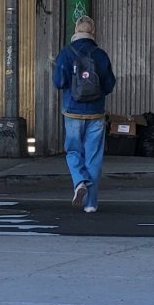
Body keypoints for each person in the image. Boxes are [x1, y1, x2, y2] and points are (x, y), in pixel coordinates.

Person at [52, 15, 117, 214]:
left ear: (76, 30)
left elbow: (58, 83)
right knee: (94, 157)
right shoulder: (100, 54)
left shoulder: (65, 53)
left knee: (73, 151)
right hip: (96, 113)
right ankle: (91, 203)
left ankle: (79, 181)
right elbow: (109, 84)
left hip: (72, 111)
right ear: (93, 31)